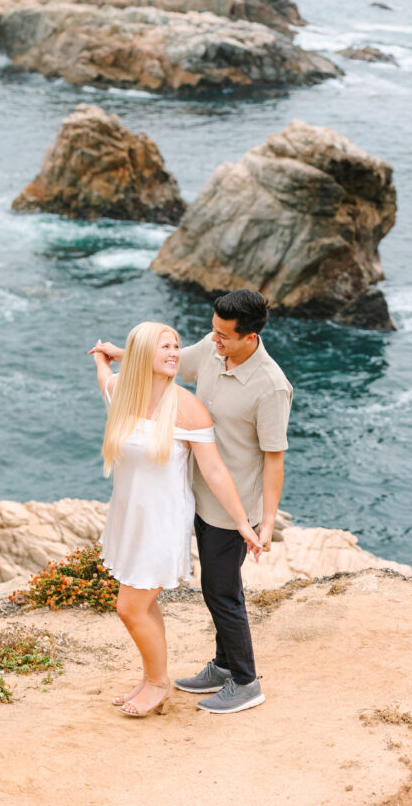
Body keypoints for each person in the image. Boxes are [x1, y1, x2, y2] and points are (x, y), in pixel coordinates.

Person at [91, 289, 293, 714]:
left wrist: (263, 522)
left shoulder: (271, 386)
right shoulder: (212, 348)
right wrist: (114, 351)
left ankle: (244, 680)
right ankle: (217, 666)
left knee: (222, 592)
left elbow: (273, 459)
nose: (212, 340)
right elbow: (165, 360)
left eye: (223, 335)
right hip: (189, 495)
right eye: (213, 331)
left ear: (250, 336)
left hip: (228, 502)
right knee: (205, 590)